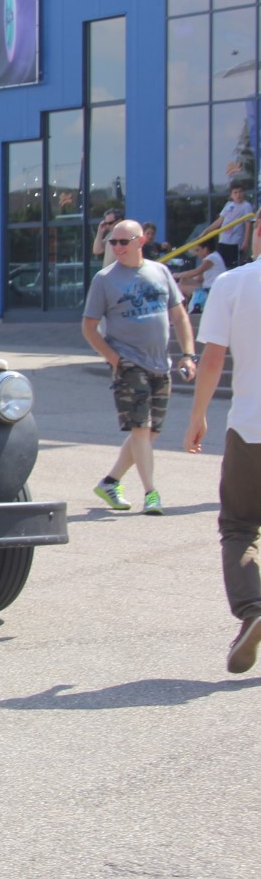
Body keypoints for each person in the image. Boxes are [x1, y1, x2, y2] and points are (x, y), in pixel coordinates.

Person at [183, 218, 261, 674]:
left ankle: (253, 610)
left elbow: (212, 357)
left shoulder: (232, 283)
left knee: (240, 526)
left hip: (251, 427)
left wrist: (197, 416)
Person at [81, 219, 196, 516]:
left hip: (161, 363)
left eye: (123, 241)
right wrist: (115, 359)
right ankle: (151, 493)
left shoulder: (160, 272)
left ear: (140, 241)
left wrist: (188, 354)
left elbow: (180, 316)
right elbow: (89, 327)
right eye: (112, 242)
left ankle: (110, 481)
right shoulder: (104, 280)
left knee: (150, 432)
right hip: (128, 364)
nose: (117, 247)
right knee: (141, 429)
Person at [200, 183, 253, 269]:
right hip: (223, 241)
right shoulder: (228, 205)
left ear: (243, 193)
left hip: (235, 242)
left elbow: (248, 225)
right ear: (231, 194)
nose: (238, 194)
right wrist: (206, 231)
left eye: (240, 192)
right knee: (221, 266)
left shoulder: (246, 206)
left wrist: (245, 242)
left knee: (232, 267)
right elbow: (219, 221)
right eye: (235, 192)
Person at [172, 241, 225, 313]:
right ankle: (189, 306)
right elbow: (200, 279)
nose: (197, 253)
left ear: (205, 250)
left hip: (211, 290)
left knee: (179, 287)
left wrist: (177, 275)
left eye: (198, 250)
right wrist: (184, 277)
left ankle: (181, 311)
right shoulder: (214, 257)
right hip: (208, 287)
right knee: (183, 280)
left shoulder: (211, 258)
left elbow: (196, 271)